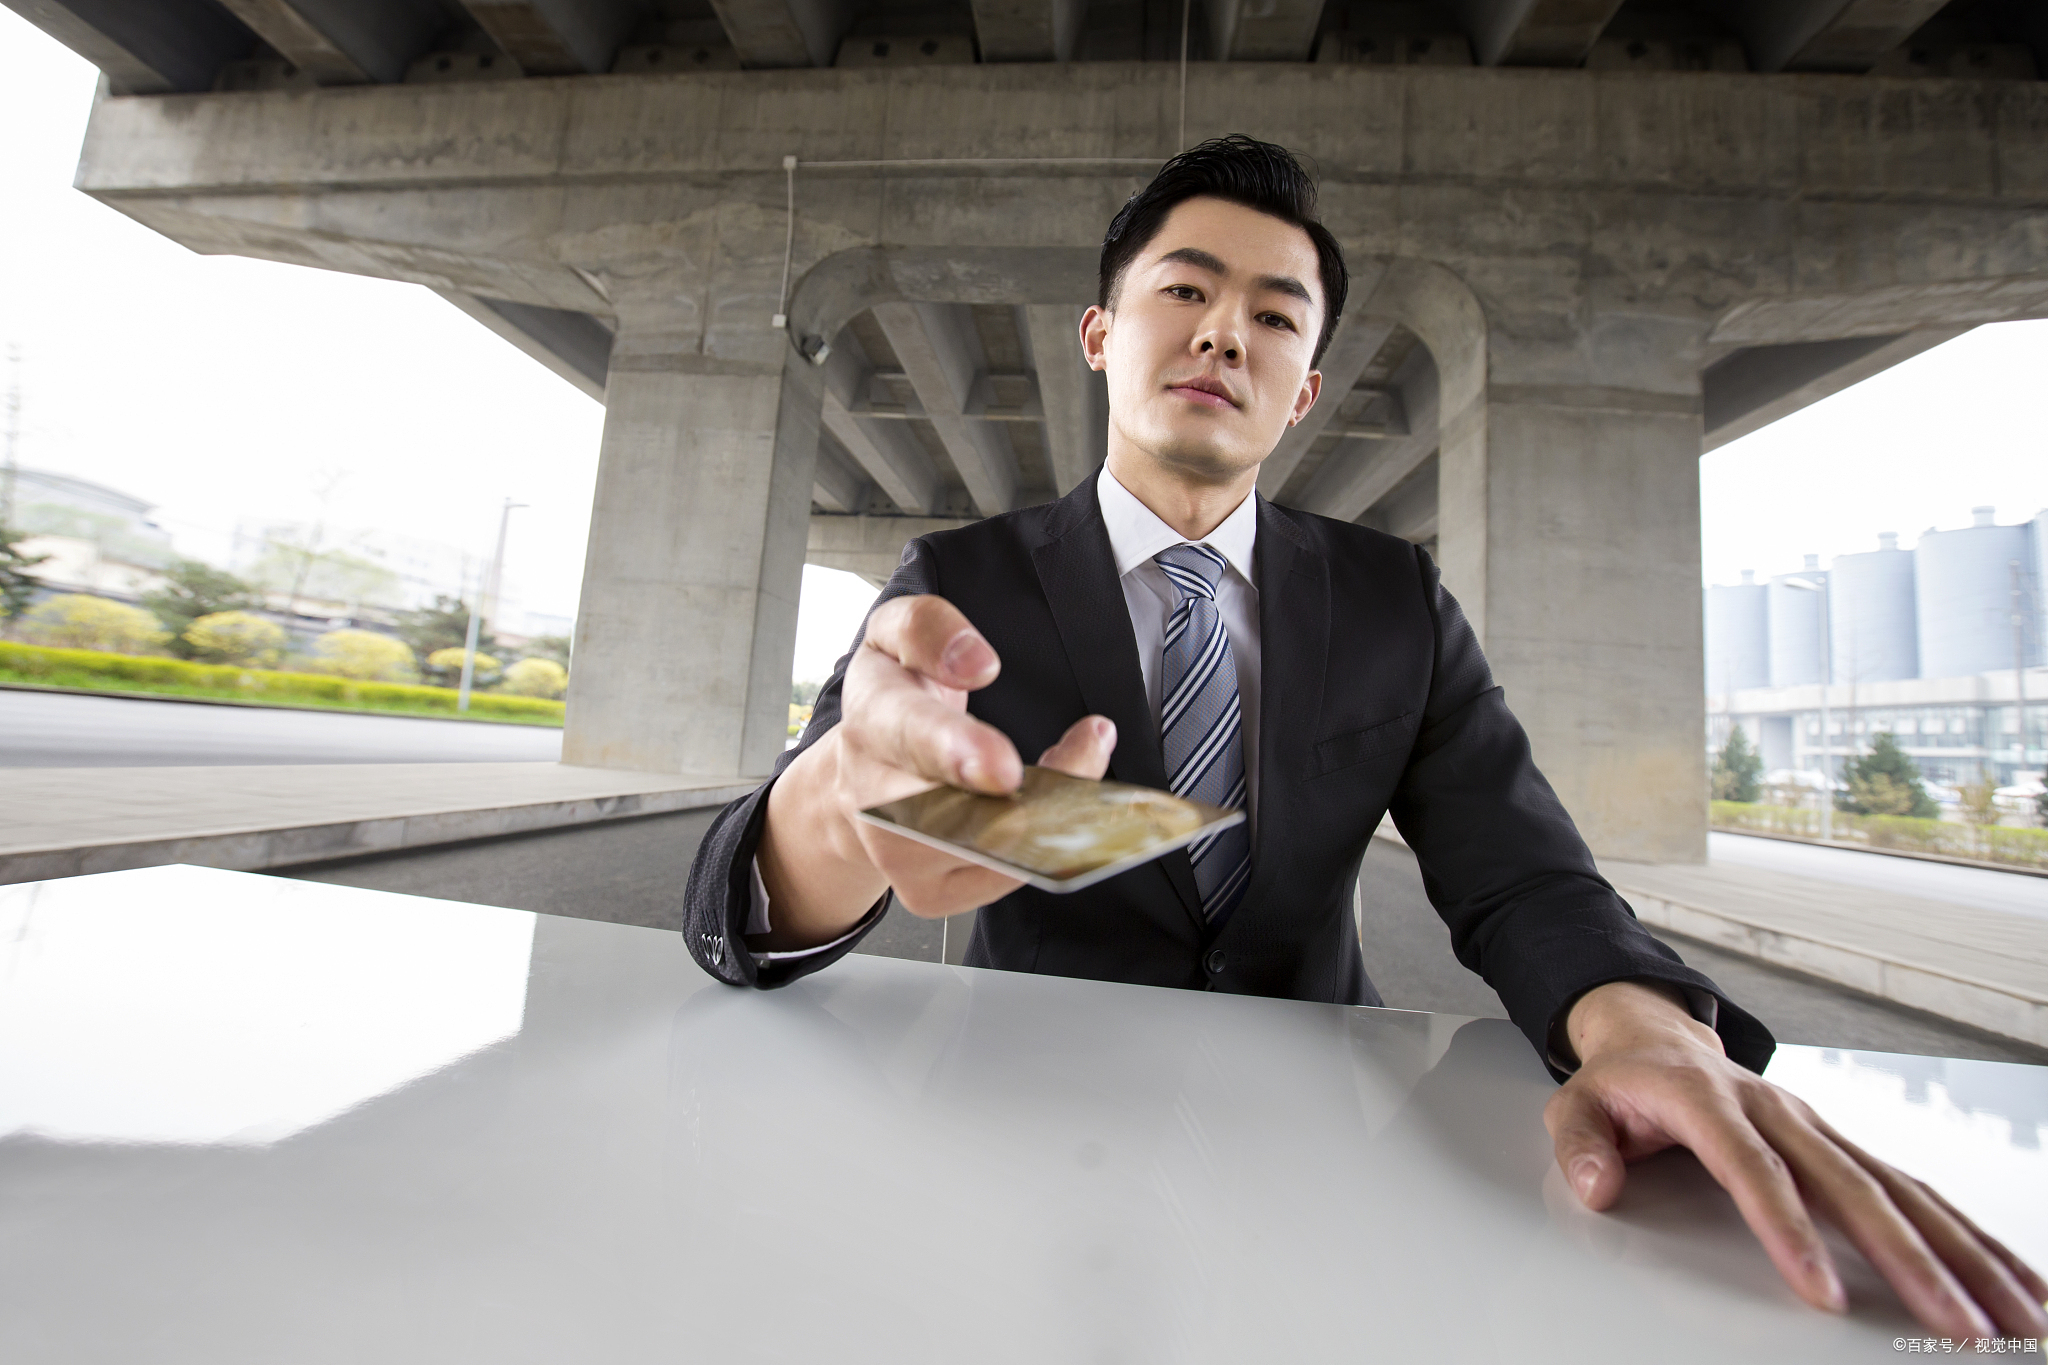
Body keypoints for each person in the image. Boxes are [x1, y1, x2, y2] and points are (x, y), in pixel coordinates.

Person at [684, 135, 2046, 1339]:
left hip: (1323, 1161)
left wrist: (1639, 1025)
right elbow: (746, 890)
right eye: (1185, 292)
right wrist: (836, 809)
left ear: (1306, 390)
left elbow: (1522, 872)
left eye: (1274, 316)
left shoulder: (1396, 600)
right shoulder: (959, 578)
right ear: (1100, 334)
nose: (1226, 335)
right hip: (1019, 1149)